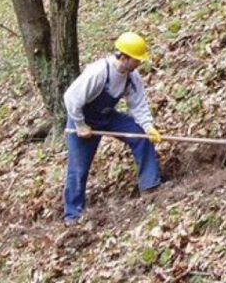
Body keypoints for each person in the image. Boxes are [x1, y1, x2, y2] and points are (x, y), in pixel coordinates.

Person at [63, 32, 162, 225]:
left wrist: (149, 127)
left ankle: (150, 185)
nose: (139, 64)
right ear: (124, 57)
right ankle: (72, 216)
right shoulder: (99, 72)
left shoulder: (132, 77)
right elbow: (71, 99)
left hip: (107, 116)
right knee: (78, 168)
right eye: (137, 60)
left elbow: (138, 105)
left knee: (141, 137)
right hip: (82, 120)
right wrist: (81, 125)